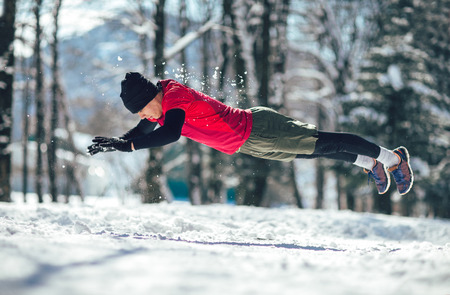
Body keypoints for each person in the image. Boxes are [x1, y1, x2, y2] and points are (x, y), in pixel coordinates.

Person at [87, 72, 414, 195]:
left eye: (142, 109)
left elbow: (169, 135)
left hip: (260, 129)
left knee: (328, 142)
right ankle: (369, 164)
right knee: (316, 151)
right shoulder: (162, 103)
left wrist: (128, 145)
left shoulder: (175, 99)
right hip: (250, 143)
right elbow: (144, 129)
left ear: (151, 99)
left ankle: (393, 158)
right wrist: (119, 143)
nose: (143, 116)